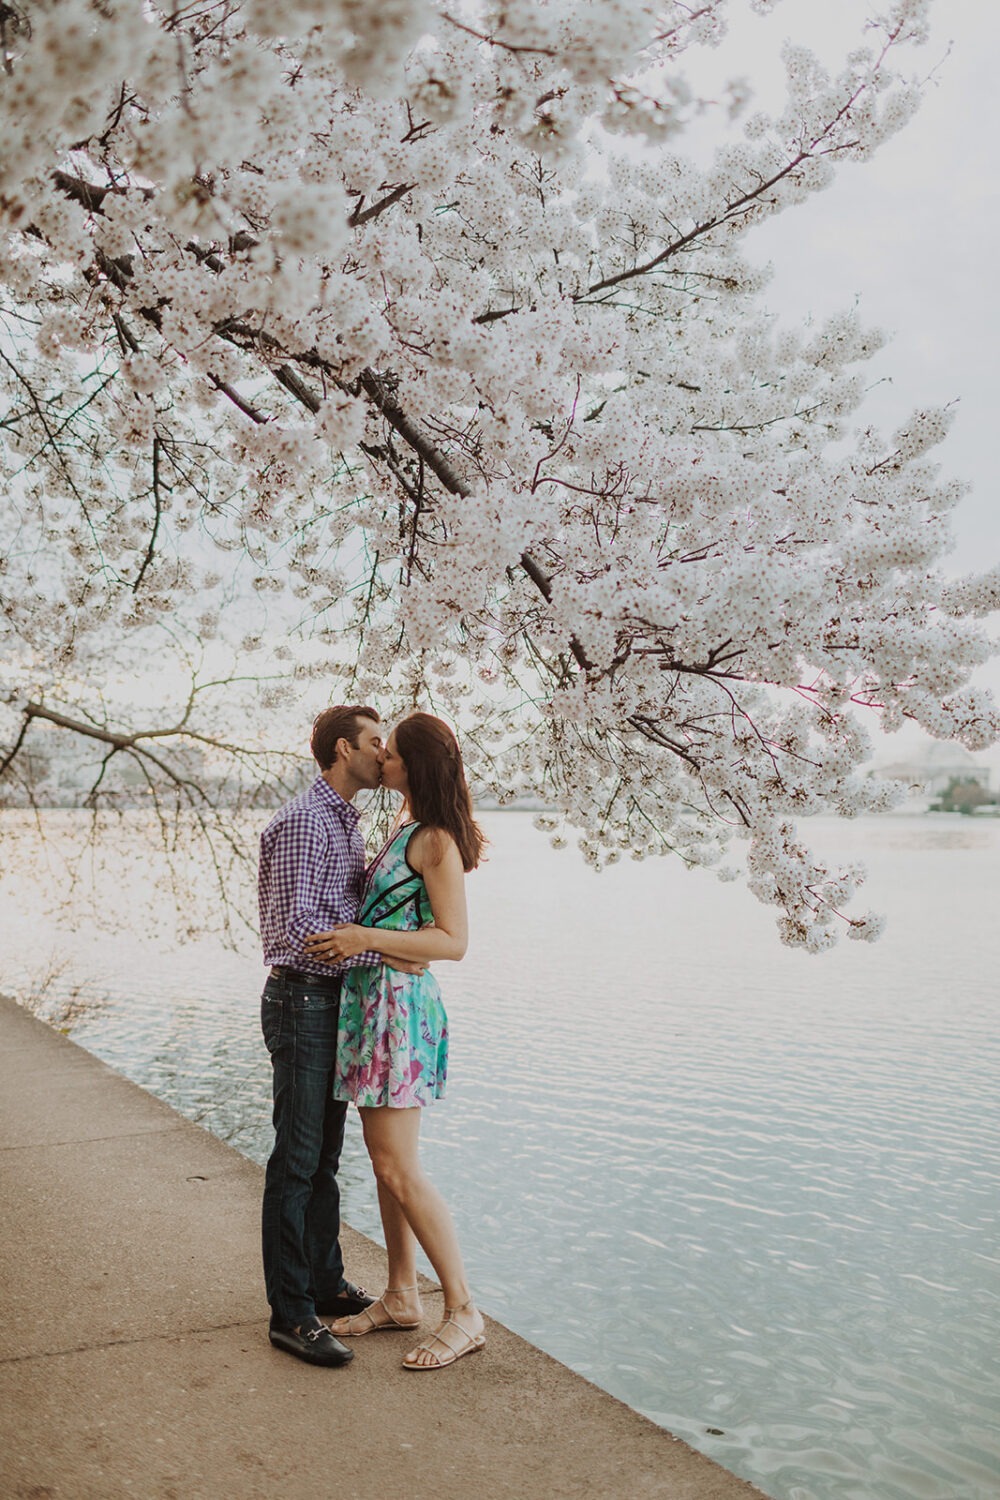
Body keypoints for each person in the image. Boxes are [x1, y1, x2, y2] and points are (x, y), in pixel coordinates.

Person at [303, 711, 487, 1371]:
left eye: (392, 750)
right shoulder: (402, 826)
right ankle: (403, 1294)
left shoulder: (435, 839)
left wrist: (366, 939)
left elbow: (453, 941)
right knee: (384, 1165)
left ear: (412, 766)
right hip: (372, 1006)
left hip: (398, 1014)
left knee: (399, 1168)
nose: (381, 756)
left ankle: (463, 1310)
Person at [258, 704, 419, 1367]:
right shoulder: (305, 822)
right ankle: (291, 1313)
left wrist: (370, 951)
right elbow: (295, 930)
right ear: (342, 749)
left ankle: (324, 1283)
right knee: (296, 1160)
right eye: (375, 742)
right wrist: (378, 955)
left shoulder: (342, 822)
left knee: (322, 1157)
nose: (383, 754)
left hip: (329, 1000)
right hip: (302, 999)